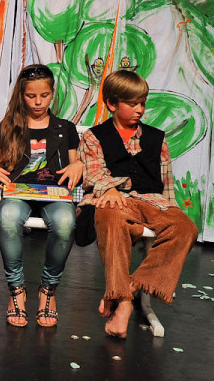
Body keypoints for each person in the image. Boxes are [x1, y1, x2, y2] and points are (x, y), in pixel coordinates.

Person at [78, 69, 197, 338]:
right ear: (112, 104)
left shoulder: (156, 138)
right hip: (113, 199)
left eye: (142, 103)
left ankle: (127, 288)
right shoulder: (94, 136)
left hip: (151, 200)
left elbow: (166, 182)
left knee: (185, 228)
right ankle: (123, 304)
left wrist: (171, 212)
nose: (140, 109)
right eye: (133, 104)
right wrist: (110, 188)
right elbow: (94, 173)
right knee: (111, 214)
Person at [0, 64, 82, 327]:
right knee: (8, 217)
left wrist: (78, 166)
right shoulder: (9, 126)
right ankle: (16, 290)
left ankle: (48, 290)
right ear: (22, 95)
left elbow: (74, 165)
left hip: (54, 193)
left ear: (52, 94)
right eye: (31, 96)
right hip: (18, 191)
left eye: (44, 95)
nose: (38, 102)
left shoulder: (65, 128)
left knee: (65, 223)